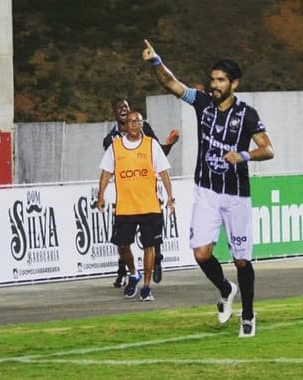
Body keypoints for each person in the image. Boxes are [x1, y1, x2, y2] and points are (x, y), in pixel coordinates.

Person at [142, 39, 275, 336]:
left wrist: (244, 155)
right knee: (201, 254)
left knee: (241, 258)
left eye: (220, 80)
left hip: (236, 194)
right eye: (212, 79)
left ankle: (249, 315)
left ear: (234, 83)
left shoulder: (247, 115)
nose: (214, 85)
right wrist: (155, 62)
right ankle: (226, 288)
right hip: (207, 190)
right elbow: (172, 84)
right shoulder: (202, 103)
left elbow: (268, 150)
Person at [97, 111, 175, 301]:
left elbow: (163, 172)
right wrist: (101, 196)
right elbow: (106, 173)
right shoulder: (115, 147)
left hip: (149, 206)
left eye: (137, 122)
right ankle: (133, 273)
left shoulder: (151, 145)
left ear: (142, 125)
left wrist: (170, 197)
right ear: (124, 126)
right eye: (130, 122)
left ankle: (146, 287)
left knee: (150, 246)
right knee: (123, 246)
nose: (133, 125)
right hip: (125, 207)